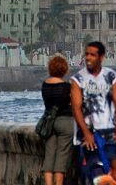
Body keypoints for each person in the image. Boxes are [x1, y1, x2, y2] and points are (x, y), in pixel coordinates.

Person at [71, 41, 116, 184]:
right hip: (87, 137)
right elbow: (76, 108)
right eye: (87, 54)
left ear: (101, 57)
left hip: (110, 136)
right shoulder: (78, 79)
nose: (88, 58)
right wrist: (87, 134)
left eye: (92, 55)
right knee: (95, 176)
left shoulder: (112, 77)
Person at [41, 54, 75, 185]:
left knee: (49, 158)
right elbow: (75, 104)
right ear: (65, 69)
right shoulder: (67, 86)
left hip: (49, 122)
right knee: (61, 158)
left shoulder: (45, 85)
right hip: (65, 121)